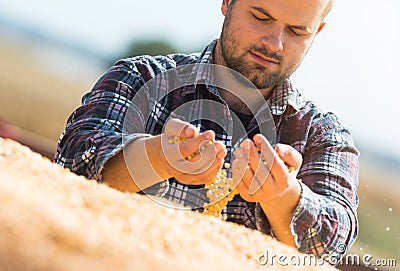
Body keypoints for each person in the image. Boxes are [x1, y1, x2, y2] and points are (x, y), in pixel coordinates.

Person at [55, 0, 359, 261]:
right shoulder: (141, 80)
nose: (274, 43)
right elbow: (71, 161)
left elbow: (333, 245)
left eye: (296, 31)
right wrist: (156, 158)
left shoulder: (322, 136)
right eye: (261, 17)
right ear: (227, 2)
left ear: (317, 31)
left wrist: (283, 197)